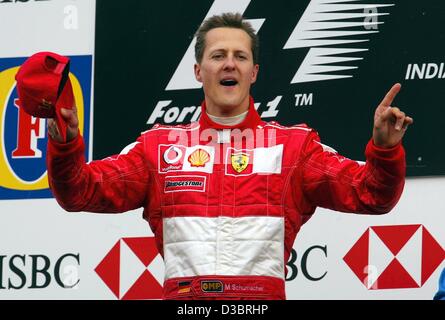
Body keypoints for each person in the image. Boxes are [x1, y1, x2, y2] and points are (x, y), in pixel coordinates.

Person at [42, 13, 412, 299]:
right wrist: (64, 143)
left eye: (240, 56)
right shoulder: (157, 149)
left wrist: (384, 149)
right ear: (198, 72)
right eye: (218, 56)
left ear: (255, 72)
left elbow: (371, 196)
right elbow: (79, 192)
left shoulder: (294, 147)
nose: (230, 64)